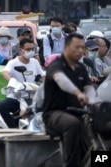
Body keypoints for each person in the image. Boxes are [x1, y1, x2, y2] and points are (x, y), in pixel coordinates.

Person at [43, 34, 96, 167]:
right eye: (77, 47)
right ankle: (71, 164)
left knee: (96, 130)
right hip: (54, 114)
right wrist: (78, 93)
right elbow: (61, 80)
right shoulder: (56, 65)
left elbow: (89, 88)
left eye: (82, 47)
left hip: (78, 112)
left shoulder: (81, 68)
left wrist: (94, 102)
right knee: (72, 124)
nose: (80, 50)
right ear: (66, 47)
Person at [0, 38, 45, 128]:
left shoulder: (35, 62)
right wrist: (12, 81)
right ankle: (13, 129)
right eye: (27, 49)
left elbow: (42, 75)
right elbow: (5, 72)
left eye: (32, 49)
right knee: (1, 107)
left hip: (32, 97)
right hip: (16, 97)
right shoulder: (13, 63)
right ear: (21, 50)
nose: (30, 51)